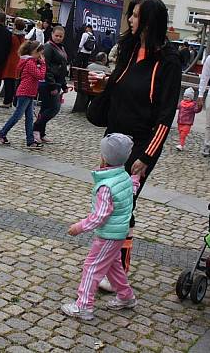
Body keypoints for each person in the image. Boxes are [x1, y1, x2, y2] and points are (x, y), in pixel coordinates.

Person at [86, 0, 181, 280]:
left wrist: (146, 156)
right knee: (105, 200)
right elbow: (121, 81)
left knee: (122, 205)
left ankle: (117, 271)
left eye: (136, 15)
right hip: (113, 136)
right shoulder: (128, 48)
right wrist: (105, 84)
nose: (130, 20)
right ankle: (109, 266)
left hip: (141, 142)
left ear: (149, 22)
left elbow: (165, 116)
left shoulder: (169, 61)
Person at [61, 134, 139, 320]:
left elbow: (100, 216)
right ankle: (126, 297)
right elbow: (132, 189)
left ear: (104, 158)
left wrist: (79, 227)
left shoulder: (106, 186)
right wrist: (135, 180)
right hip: (119, 234)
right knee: (113, 267)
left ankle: (83, 306)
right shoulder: (124, 177)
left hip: (108, 236)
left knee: (91, 268)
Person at [0, 40, 46, 147]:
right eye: (40, 53)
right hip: (25, 92)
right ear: (34, 52)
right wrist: (43, 64)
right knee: (17, 116)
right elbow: (40, 76)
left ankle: (30, 140)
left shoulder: (29, 61)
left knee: (30, 118)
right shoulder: (30, 63)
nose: (40, 56)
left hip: (29, 93)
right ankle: (2, 133)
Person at [33, 26, 68, 143]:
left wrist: (63, 84)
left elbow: (62, 67)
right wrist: (52, 84)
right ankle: (36, 128)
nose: (58, 38)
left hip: (57, 82)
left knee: (46, 108)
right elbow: (46, 67)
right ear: (52, 34)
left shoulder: (60, 47)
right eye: (56, 35)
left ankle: (40, 132)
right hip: (48, 83)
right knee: (54, 108)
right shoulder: (48, 47)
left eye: (60, 36)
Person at [0, 18, 27, 108]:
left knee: (8, 83)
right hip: (19, 61)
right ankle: (11, 101)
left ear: (15, 26)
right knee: (14, 83)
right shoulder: (23, 38)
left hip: (11, 61)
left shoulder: (12, 37)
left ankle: (7, 101)